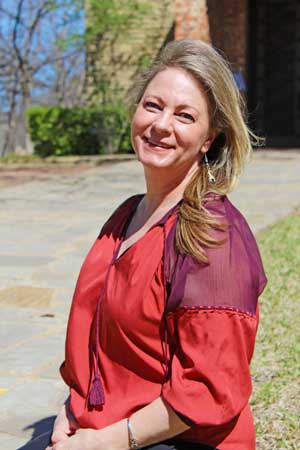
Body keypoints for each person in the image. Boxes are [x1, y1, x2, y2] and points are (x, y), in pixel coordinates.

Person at [46, 39, 267, 450]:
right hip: (104, 426)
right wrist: (71, 409)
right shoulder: (126, 214)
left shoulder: (213, 237)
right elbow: (102, 343)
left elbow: (208, 387)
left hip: (178, 440)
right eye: (152, 105)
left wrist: (105, 442)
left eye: (185, 115)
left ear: (208, 138)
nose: (161, 124)